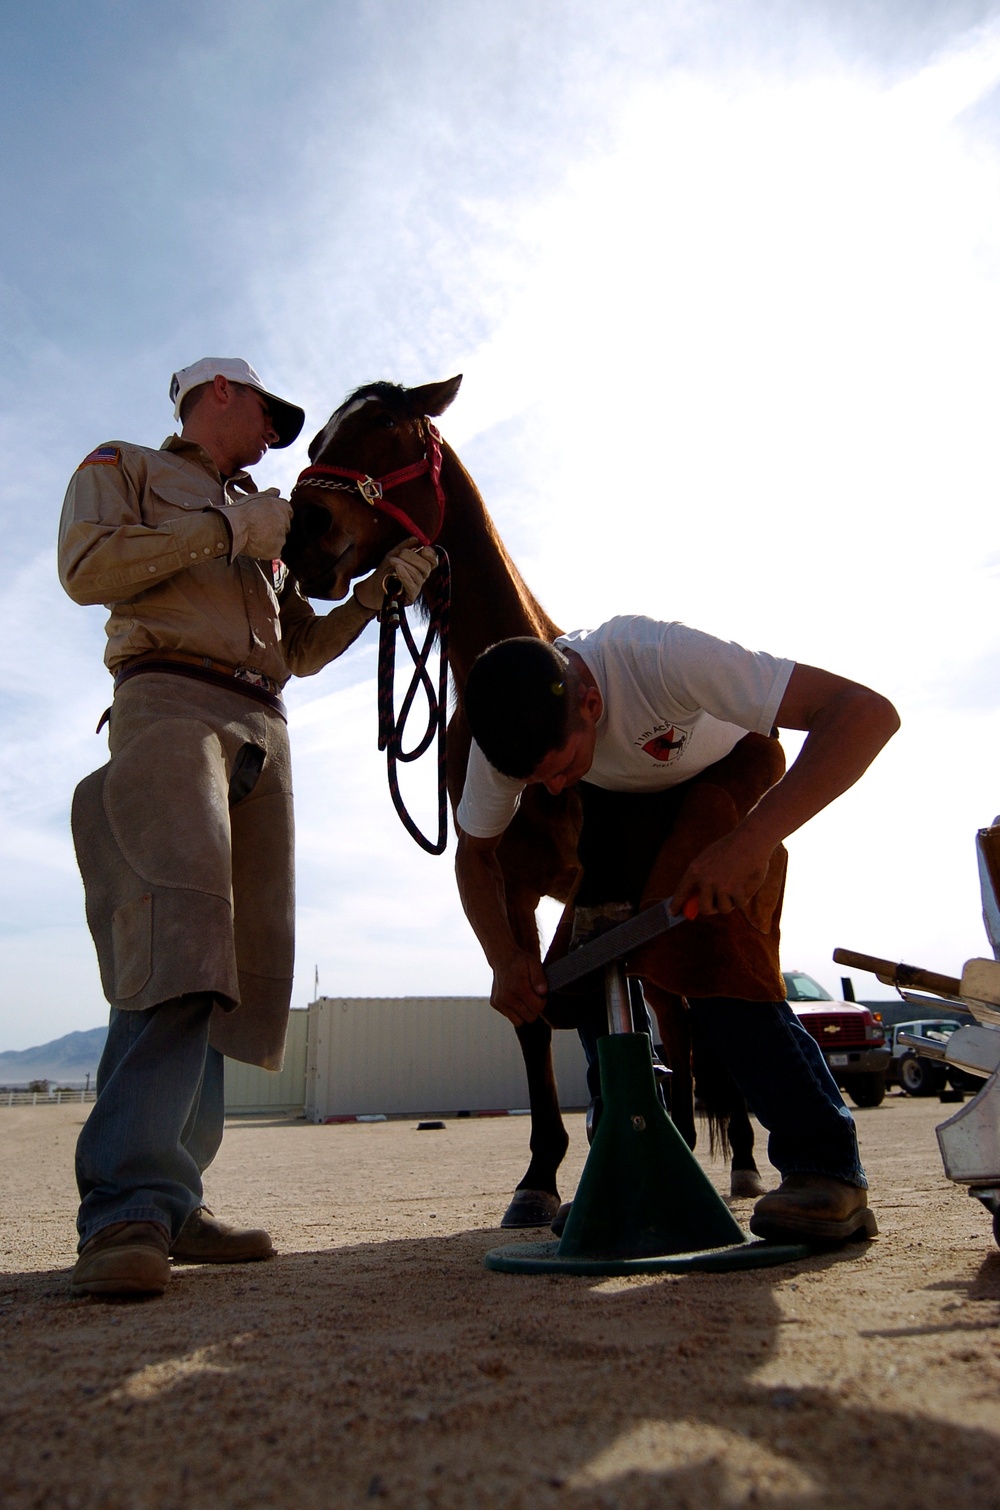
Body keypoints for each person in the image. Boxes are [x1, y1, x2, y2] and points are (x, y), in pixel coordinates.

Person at [59, 357, 436, 1298]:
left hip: (265, 724)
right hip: (168, 705)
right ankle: (126, 1211)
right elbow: (85, 568)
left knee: (238, 976)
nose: (277, 437)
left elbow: (299, 651)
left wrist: (372, 596)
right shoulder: (128, 466)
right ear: (218, 393)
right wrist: (229, 527)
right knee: (175, 943)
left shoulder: (269, 520)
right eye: (271, 414)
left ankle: (174, 1200)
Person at [454, 619, 900, 1244]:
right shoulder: (509, 727)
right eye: (536, 783)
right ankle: (629, 1159)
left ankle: (826, 1167)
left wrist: (752, 840)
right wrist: (502, 957)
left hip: (728, 765)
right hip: (619, 794)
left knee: (703, 951)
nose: (552, 790)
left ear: (592, 702)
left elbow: (865, 713)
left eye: (559, 768)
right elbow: (475, 857)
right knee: (584, 966)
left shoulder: (661, 659)